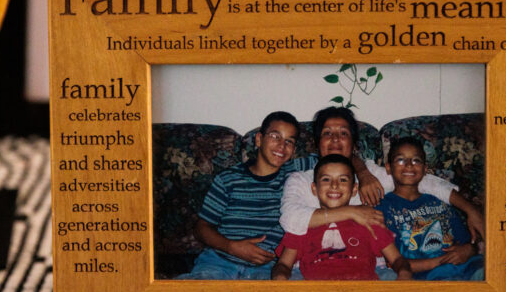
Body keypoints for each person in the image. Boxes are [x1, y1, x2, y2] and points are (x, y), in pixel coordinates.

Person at [279, 107, 483, 249]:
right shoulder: (300, 180)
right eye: (327, 133)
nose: (335, 139)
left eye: (343, 133)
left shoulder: (372, 174)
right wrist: (351, 212)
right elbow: (290, 219)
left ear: (354, 142)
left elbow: (426, 181)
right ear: (317, 143)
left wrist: (471, 210)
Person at [179, 111, 308, 279]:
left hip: (269, 268)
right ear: (259, 140)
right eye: (275, 136)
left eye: (289, 141)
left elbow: (339, 159)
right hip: (220, 261)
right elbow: (202, 228)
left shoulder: (295, 175)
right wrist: (232, 247)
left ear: (293, 149)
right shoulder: (228, 179)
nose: (282, 146)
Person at [271, 155, 411, 281]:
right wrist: (280, 277)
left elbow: (397, 259)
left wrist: (404, 273)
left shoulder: (368, 220)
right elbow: (283, 264)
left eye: (343, 180)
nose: (334, 185)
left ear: (354, 189)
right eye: (326, 179)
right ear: (314, 189)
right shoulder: (304, 224)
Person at [377, 137, 485, 280]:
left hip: (469, 268)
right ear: (389, 168)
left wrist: (470, 249)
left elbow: (467, 242)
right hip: (430, 278)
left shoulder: (440, 203)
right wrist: (443, 261)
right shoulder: (382, 208)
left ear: (425, 169)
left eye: (416, 160)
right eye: (401, 160)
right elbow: (394, 262)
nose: (409, 165)